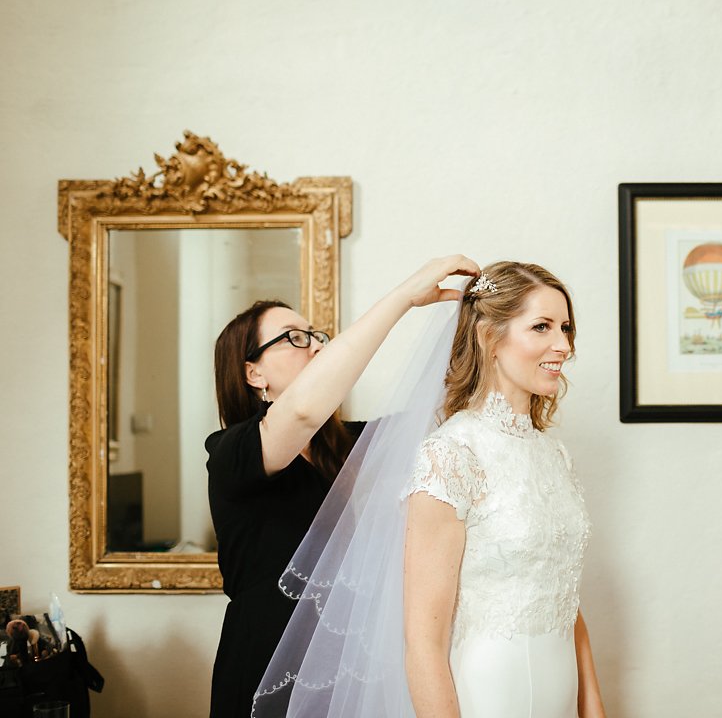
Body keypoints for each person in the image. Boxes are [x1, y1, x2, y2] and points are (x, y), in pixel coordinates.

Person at [252, 262, 605, 718]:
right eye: (542, 327)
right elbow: (423, 643)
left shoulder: (555, 456)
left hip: (561, 690)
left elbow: (564, 597)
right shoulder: (450, 455)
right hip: (489, 693)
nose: (564, 345)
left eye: (566, 327)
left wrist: (593, 708)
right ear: (488, 337)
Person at [206, 254, 479, 718]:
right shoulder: (230, 452)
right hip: (264, 665)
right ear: (254, 373)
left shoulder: (343, 444)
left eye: (316, 336)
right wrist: (403, 297)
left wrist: (478, 323)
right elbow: (300, 412)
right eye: (295, 338)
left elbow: (438, 409)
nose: (315, 346)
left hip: (336, 667)